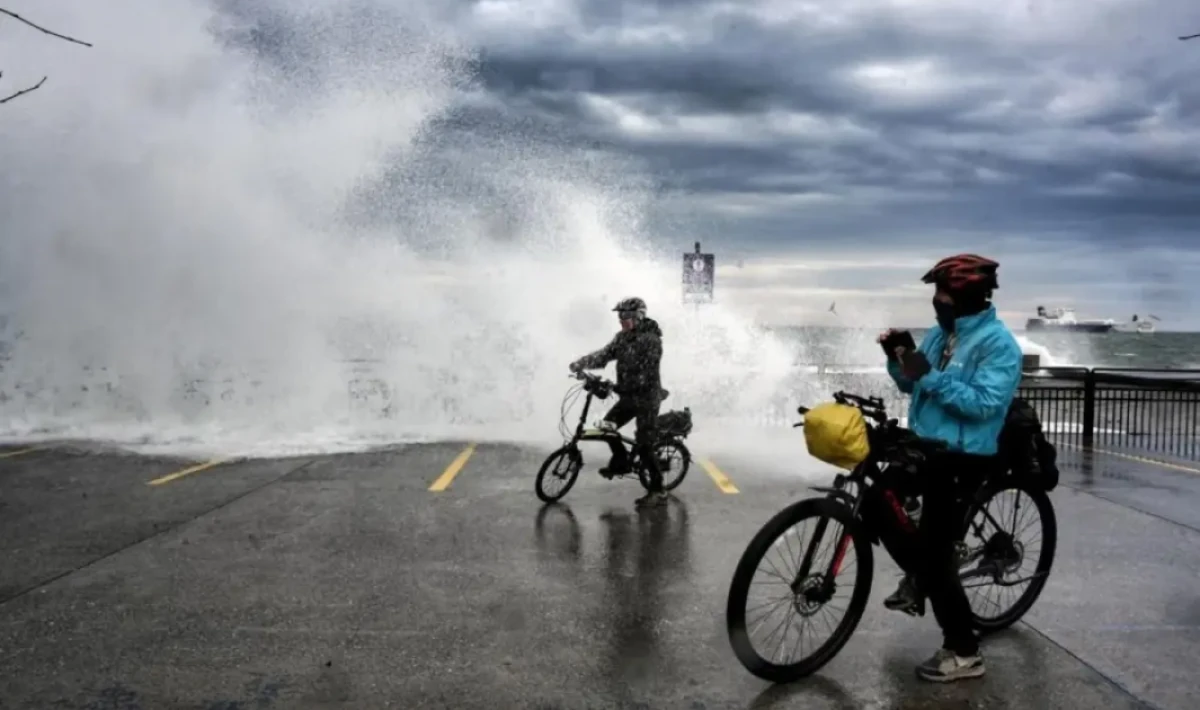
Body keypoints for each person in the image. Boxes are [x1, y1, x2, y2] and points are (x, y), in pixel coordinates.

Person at [869, 253, 1023, 682]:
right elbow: (911, 383)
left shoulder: (998, 344)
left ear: (967, 294)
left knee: (937, 557)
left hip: (964, 457)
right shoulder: (941, 335)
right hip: (926, 447)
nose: (937, 301)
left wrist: (928, 376)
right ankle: (920, 576)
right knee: (876, 501)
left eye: (943, 293)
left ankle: (964, 651)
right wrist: (898, 356)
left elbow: (984, 404)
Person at [569, 297, 668, 508]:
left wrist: (617, 387)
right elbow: (604, 355)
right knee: (606, 428)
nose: (622, 320)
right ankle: (621, 461)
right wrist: (581, 363)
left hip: (647, 397)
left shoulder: (651, 340)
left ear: (639, 316)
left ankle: (658, 490)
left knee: (644, 443)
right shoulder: (622, 338)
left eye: (626, 316)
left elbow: (647, 371)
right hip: (629, 396)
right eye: (620, 316)